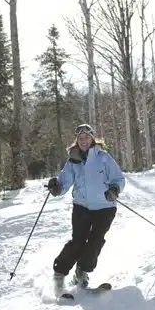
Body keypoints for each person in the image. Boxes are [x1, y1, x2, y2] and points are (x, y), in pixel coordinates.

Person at [46, 123, 125, 291]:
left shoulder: (103, 157)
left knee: (95, 242)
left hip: (105, 207)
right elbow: (63, 182)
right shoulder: (73, 160)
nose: (83, 141)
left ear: (92, 138)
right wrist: (56, 187)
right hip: (82, 206)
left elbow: (118, 178)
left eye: (86, 138)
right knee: (78, 242)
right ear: (77, 140)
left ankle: (82, 272)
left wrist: (114, 190)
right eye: (80, 138)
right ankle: (59, 273)